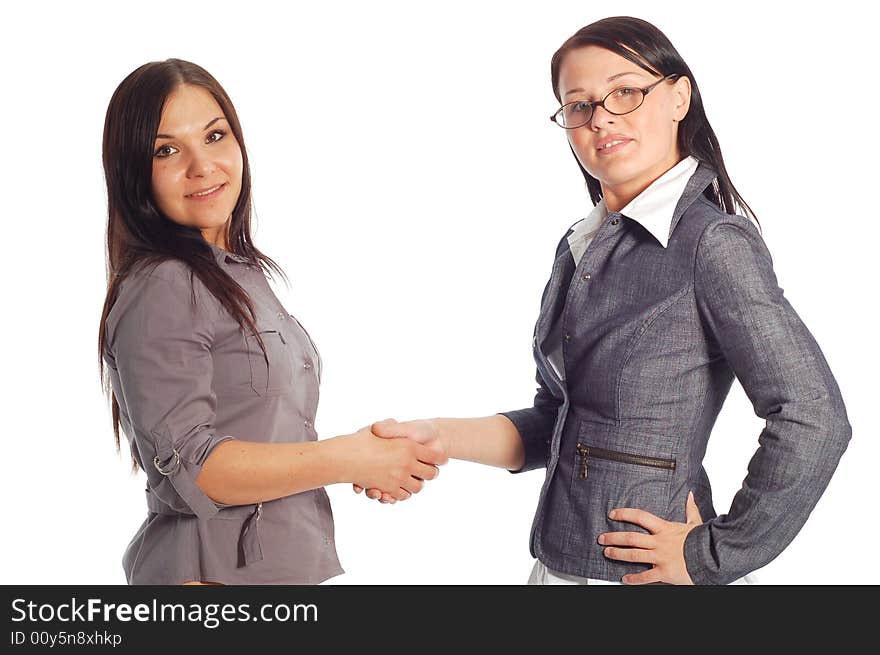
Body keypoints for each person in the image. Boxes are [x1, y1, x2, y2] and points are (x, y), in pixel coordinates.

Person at [355, 16, 851, 585]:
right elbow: (561, 422)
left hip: (650, 578)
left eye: (626, 92)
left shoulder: (711, 243)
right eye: (580, 105)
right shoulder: (581, 245)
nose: (603, 118)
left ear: (679, 97)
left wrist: (714, 553)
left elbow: (814, 416)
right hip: (560, 567)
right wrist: (436, 437)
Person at [98, 59, 445, 585]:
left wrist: (371, 456)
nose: (202, 165)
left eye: (215, 136)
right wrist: (351, 458)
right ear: (133, 172)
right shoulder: (165, 284)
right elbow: (195, 467)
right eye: (166, 150)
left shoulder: (237, 274)